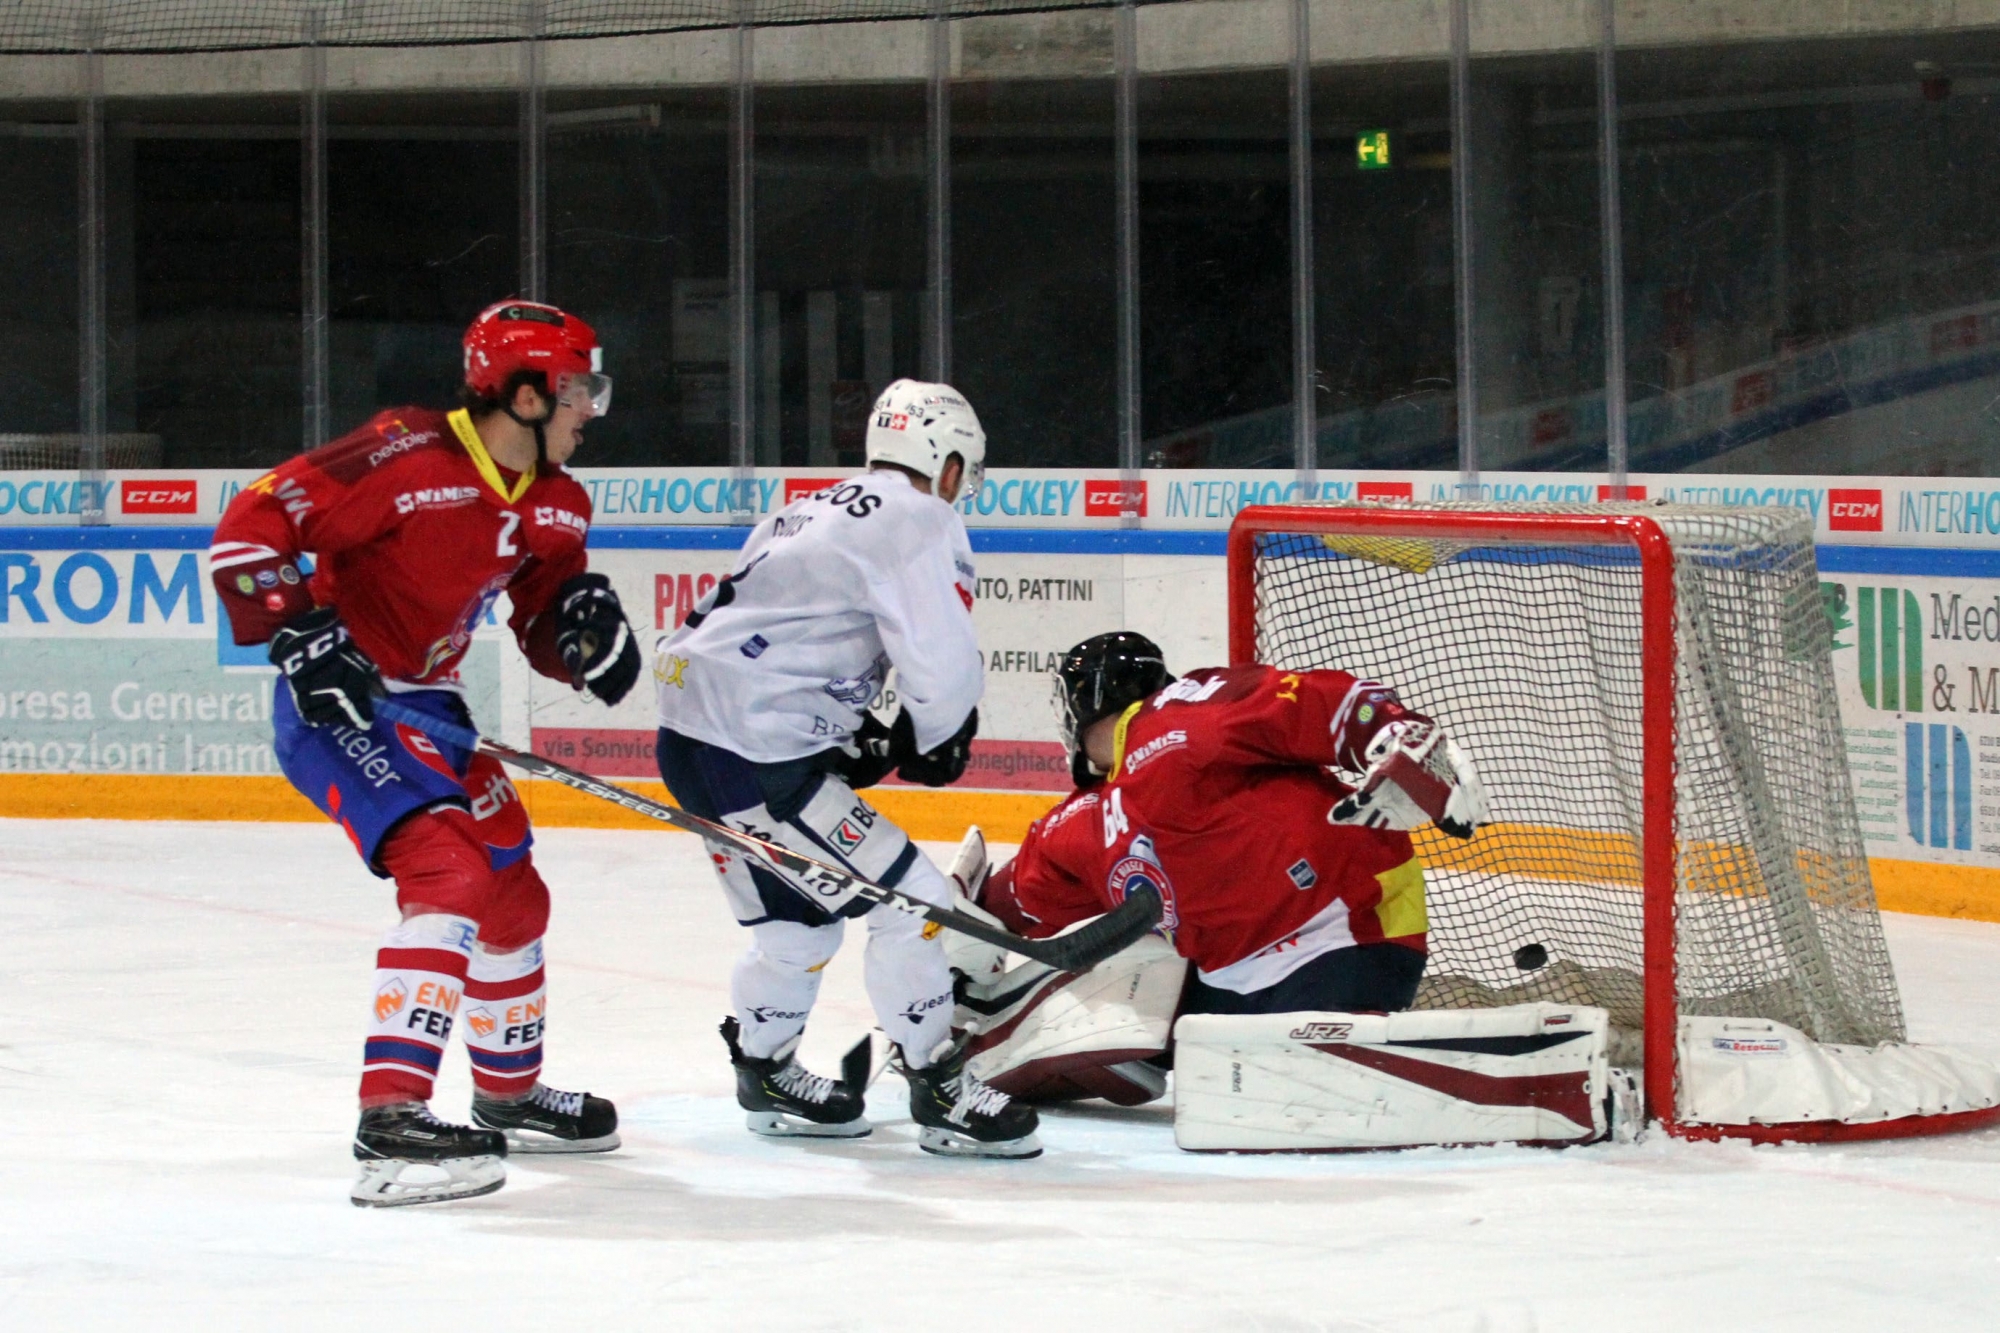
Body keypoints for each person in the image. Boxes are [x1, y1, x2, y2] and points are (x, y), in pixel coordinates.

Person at [209, 300, 642, 1207]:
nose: (589, 409)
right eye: (575, 390)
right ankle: (392, 1119)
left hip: (430, 712)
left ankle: (508, 1093)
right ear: (523, 394)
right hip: (341, 706)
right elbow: (251, 525)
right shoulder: (404, 453)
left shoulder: (559, 501)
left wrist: (583, 643)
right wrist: (298, 632)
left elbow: (541, 614)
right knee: (448, 872)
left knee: (515, 893)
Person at [653, 378, 1040, 1159]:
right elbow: (937, 657)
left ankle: (765, 1073)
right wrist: (938, 733)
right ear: (949, 460)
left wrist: (847, 729)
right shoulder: (922, 515)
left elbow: (768, 631)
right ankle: (940, 1086)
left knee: (796, 925)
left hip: (692, 739)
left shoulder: (808, 505)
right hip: (759, 755)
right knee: (917, 902)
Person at [971, 631, 1487, 1024]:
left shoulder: (1179, 715)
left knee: (1294, 1076)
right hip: (1225, 986)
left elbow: (1305, 701)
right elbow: (1009, 901)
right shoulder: (1086, 818)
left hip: (1340, 940)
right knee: (1073, 1009)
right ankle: (977, 1065)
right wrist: (958, 934)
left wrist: (1389, 728)